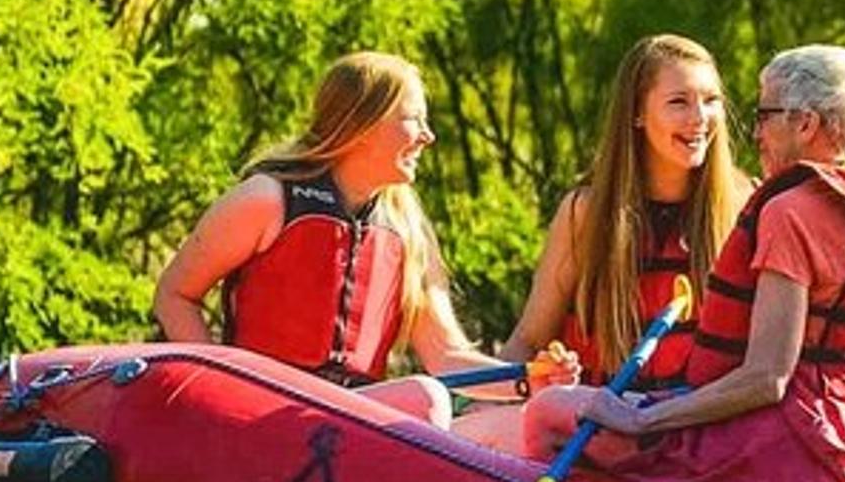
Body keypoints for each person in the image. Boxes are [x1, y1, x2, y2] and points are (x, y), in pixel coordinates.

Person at [522, 45, 845, 482]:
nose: (755, 131)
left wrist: (644, 418)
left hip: (785, 458)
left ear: (805, 124)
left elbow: (767, 377)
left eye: (765, 115)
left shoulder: (788, 212)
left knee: (548, 412)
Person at [153, 51, 574, 426]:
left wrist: (530, 380)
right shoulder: (267, 199)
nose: (428, 136)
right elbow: (174, 294)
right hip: (263, 408)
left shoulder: (406, 228)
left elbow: (447, 359)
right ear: (362, 126)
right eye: (414, 119)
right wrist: (219, 391)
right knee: (424, 398)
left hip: (349, 420)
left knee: (479, 414)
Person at [452, 35, 750, 449]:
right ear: (638, 115)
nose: (700, 118)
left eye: (711, 100)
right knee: (471, 431)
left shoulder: (745, 206)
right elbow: (529, 340)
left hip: (695, 430)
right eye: (679, 102)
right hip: (596, 425)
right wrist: (479, 404)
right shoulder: (586, 213)